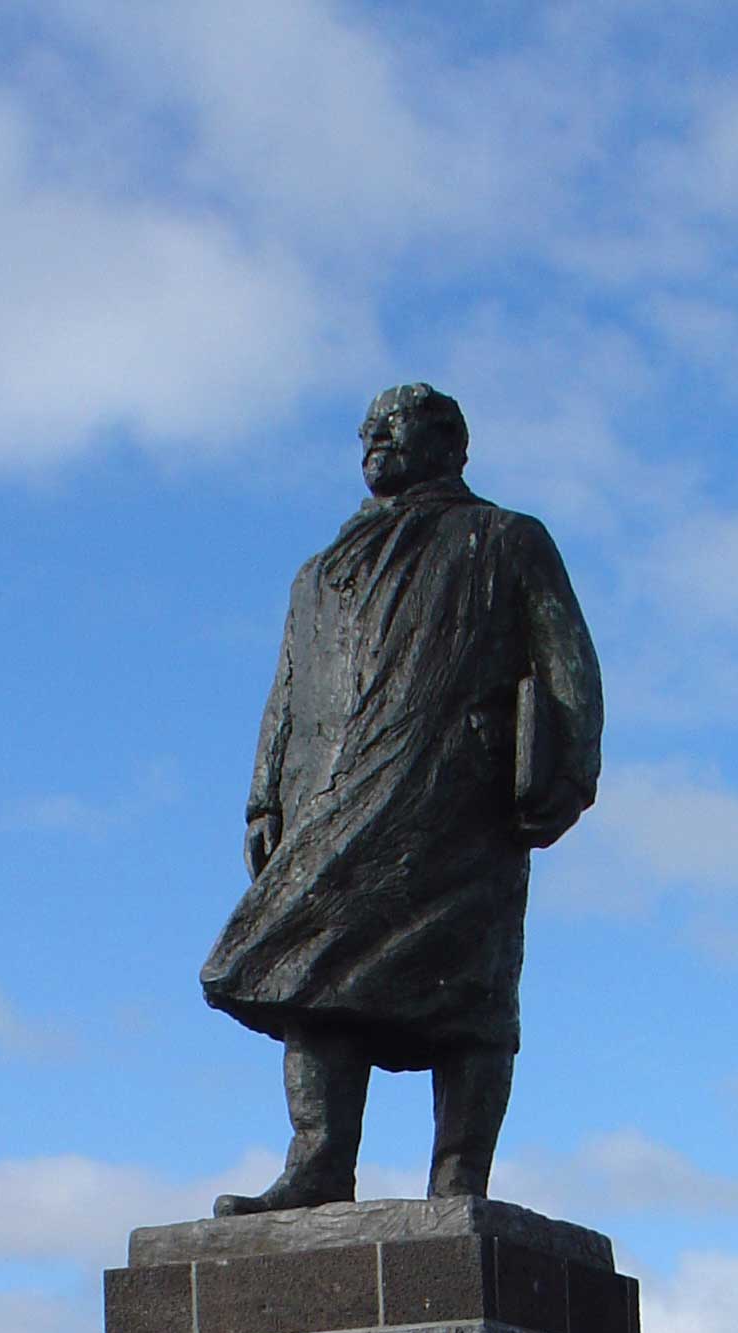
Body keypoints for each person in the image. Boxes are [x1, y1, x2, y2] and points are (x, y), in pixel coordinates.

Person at [200, 382, 602, 1215]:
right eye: (366, 427)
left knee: (470, 988)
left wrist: (564, 776)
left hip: (455, 796)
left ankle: (457, 1176)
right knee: (303, 965)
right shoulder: (321, 570)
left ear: (448, 441)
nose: (369, 436)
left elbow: (568, 666)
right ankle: (317, 1165)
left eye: (391, 425)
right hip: (330, 800)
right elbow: (288, 684)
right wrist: (262, 797)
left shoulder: (504, 540)